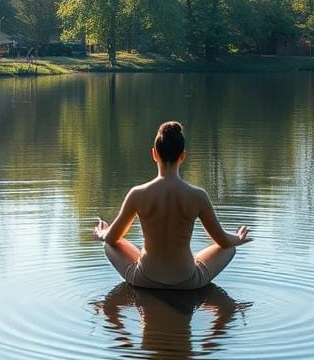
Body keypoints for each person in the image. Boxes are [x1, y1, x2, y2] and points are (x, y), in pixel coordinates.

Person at [94, 121, 251, 289]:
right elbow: (223, 241)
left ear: (154, 154)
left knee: (109, 244)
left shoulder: (138, 194)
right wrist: (238, 239)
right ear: (182, 155)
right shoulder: (197, 196)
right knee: (230, 248)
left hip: (145, 279)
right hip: (188, 282)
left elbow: (112, 238)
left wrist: (103, 232)